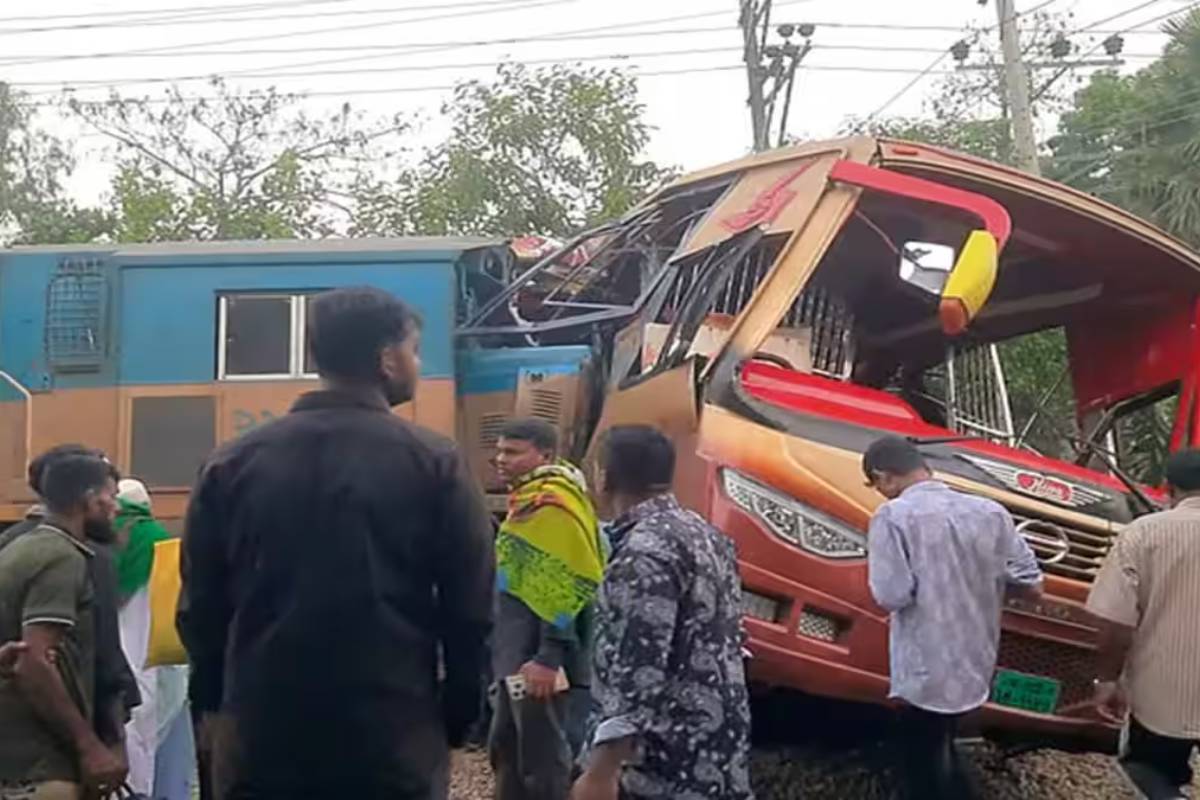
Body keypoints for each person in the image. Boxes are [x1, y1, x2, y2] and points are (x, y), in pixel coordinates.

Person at [178, 286, 494, 800]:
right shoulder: (435, 461)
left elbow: (201, 607)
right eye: (414, 350)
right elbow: (470, 608)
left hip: (263, 734)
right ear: (387, 359)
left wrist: (214, 706)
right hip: (390, 736)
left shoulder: (231, 463)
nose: (417, 364)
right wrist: (459, 714)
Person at [572, 425, 754, 800]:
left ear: (603, 477)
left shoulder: (643, 552)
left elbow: (638, 668)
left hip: (662, 762)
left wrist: (601, 772)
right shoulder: (706, 534)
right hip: (718, 747)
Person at [863, 436, 1043, 800]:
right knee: (944, 742)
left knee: (925, 762)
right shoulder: (991, 512)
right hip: (976, 658)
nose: (880, 492)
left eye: (875, 484)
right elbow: (1033, 585)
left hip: (925, 663)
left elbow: (892, 594)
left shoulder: (894, 516)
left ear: (885, 476)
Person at [0, 446, 140, 771]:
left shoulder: (11, 545)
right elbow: (99, 654)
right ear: (89, 499)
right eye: (111, 496)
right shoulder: (70, 555)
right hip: (47, 757)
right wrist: (98, 745)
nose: (116, 507)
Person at [490, 418, 604, 800]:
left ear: (545, 455)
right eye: (499, 451)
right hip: (516, 657)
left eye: (512, 452)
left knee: (542, 763)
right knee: (508, 750)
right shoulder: (529, 499)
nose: (501, 459)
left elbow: (565, 587)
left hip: (538, 666)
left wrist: (548, 657)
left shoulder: (553, 506)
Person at [1088, 449, 1200, 799]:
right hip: (1164, 700)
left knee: (1152, 775)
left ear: (1168, 487)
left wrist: (1107, 680)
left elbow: (1116, 624)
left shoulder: (1143, 533)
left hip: (1161, 701)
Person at [112, 479, 194, 800]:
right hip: (157, 651)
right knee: (153, 722)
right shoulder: (164, 542)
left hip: (110, 652)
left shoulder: (98, 544)